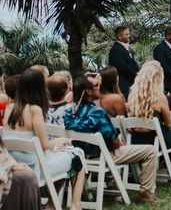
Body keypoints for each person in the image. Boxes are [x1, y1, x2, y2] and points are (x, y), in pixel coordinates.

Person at [64, 75, 162, 204]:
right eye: (97, 85)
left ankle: (113, 188)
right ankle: (146, 193)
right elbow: (114, 141)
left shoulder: (69, 113)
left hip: (81, 156)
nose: (99, 88)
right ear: (88, 91)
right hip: (101, 157)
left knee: (109, 150)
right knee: (150, 150)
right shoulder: (97, 113)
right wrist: (121, 145)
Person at [3, 69, 85, 210]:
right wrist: (61, 140)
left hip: (15, 165)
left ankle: (51, 205)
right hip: (36, 167)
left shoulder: (9, 108)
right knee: (78, 154)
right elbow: (45, 145)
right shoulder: (35, 110)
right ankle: (75, 206)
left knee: (66, 160)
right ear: (40, 87)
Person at [127, 60, 171, 181]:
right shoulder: (160, 97)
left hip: (134, 140)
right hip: (155, 141)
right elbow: (169, 124)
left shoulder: (131, 95)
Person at [0, 136, 41, 210]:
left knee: (28, 176)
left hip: (12, 154)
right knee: (28, 177)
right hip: (31, 158)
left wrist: (11, 162)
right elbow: (45, 145)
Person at [108, 26, 140, 97]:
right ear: (119, 36)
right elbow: (122, 67)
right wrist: (136, 75)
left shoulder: (129, 50)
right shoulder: (115, 50)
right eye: (127, 34)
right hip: (123, 86)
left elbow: (133, 64)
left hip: (132, 85)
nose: (129, 36)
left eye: (129, 34)